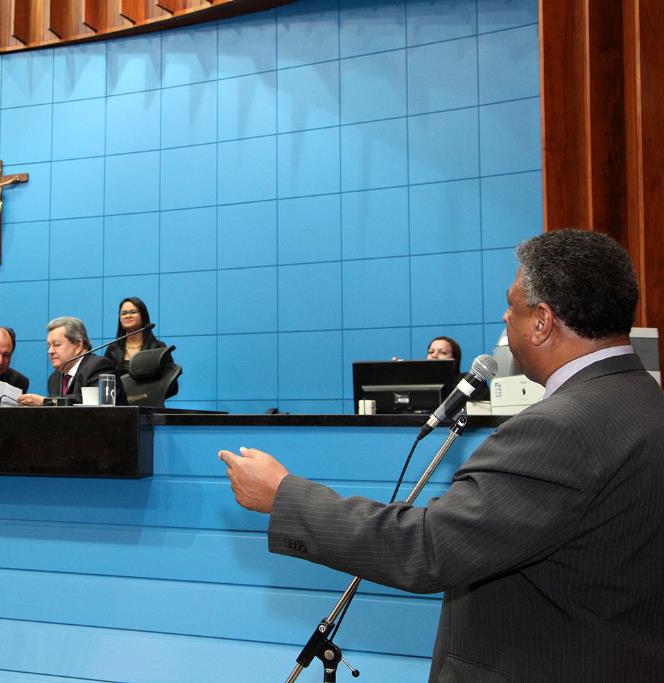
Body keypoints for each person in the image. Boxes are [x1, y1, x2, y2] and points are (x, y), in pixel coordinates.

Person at [219, 229, 664, 681]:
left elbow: (428, 547)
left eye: (512, 306)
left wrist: (283, 497)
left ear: (542, 321)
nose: (504, 319)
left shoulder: (556, 429)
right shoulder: (646, 402)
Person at [18, 317, 127, 406]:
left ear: (78, 345)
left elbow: (92, 403)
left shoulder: (99, 366)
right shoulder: (54, 378)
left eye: (56, 345)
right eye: (48, 346)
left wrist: (46, 402)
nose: (50, 351)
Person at [105, 296, 178, 399]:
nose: (128, 316)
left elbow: (172, 386)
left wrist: (146, 395)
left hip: (150, 408)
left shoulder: (158, 348)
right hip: (121, 409)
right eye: (124, 313)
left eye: (133, 312)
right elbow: (106, 387)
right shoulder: (112, 350)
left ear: (143, 317)